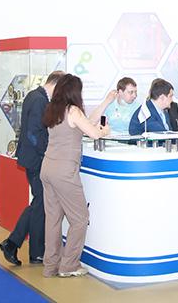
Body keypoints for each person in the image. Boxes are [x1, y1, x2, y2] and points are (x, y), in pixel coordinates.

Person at [40, 74, 109, 278]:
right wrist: (105, 131)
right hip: (64, 172)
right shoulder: (73, 110)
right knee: (80, 218)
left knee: (53, 220)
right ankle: (69, 265)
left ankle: (50, 266)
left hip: (48, 167)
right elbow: (94, 133)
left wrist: (106, 102)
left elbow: (86, 123)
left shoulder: (53, 109)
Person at [0, 70, 65, 266]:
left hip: (33, 158)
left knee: (39, 203)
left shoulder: (35, 96)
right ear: (55, 84)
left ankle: (17, 245)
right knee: (40, 203)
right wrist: (47, 153)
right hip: (36, 160)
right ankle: (25, 248)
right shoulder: (39, 100)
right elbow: (34, 133)